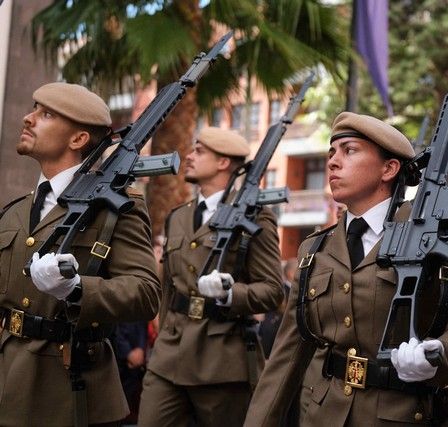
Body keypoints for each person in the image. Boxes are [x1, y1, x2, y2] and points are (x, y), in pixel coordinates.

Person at [244, 112, 448, 426]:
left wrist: (439, 355)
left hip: (403, 414)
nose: (333, 162)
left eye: (349, 150)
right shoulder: (315, 249)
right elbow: (287, 355)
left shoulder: (434, 237)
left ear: (389, 168)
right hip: (324, 414)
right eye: (331, 153)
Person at [0, 82, 161, 425]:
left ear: (77, 140)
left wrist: (76, 289)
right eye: (33, 109)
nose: (28, 119)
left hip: (68, 389)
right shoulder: (15, 211)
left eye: (45, 114)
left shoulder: (117, 206)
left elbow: (146, 293)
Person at [138, 127, 284, 426]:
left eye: (199, 151)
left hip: (222, 361)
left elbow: (272, 290)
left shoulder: (255, 217)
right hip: (169, 355)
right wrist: (164, 333)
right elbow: (168, 288)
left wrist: (231, 293)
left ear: (223, 163)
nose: (189, 156)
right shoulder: (178, 216)